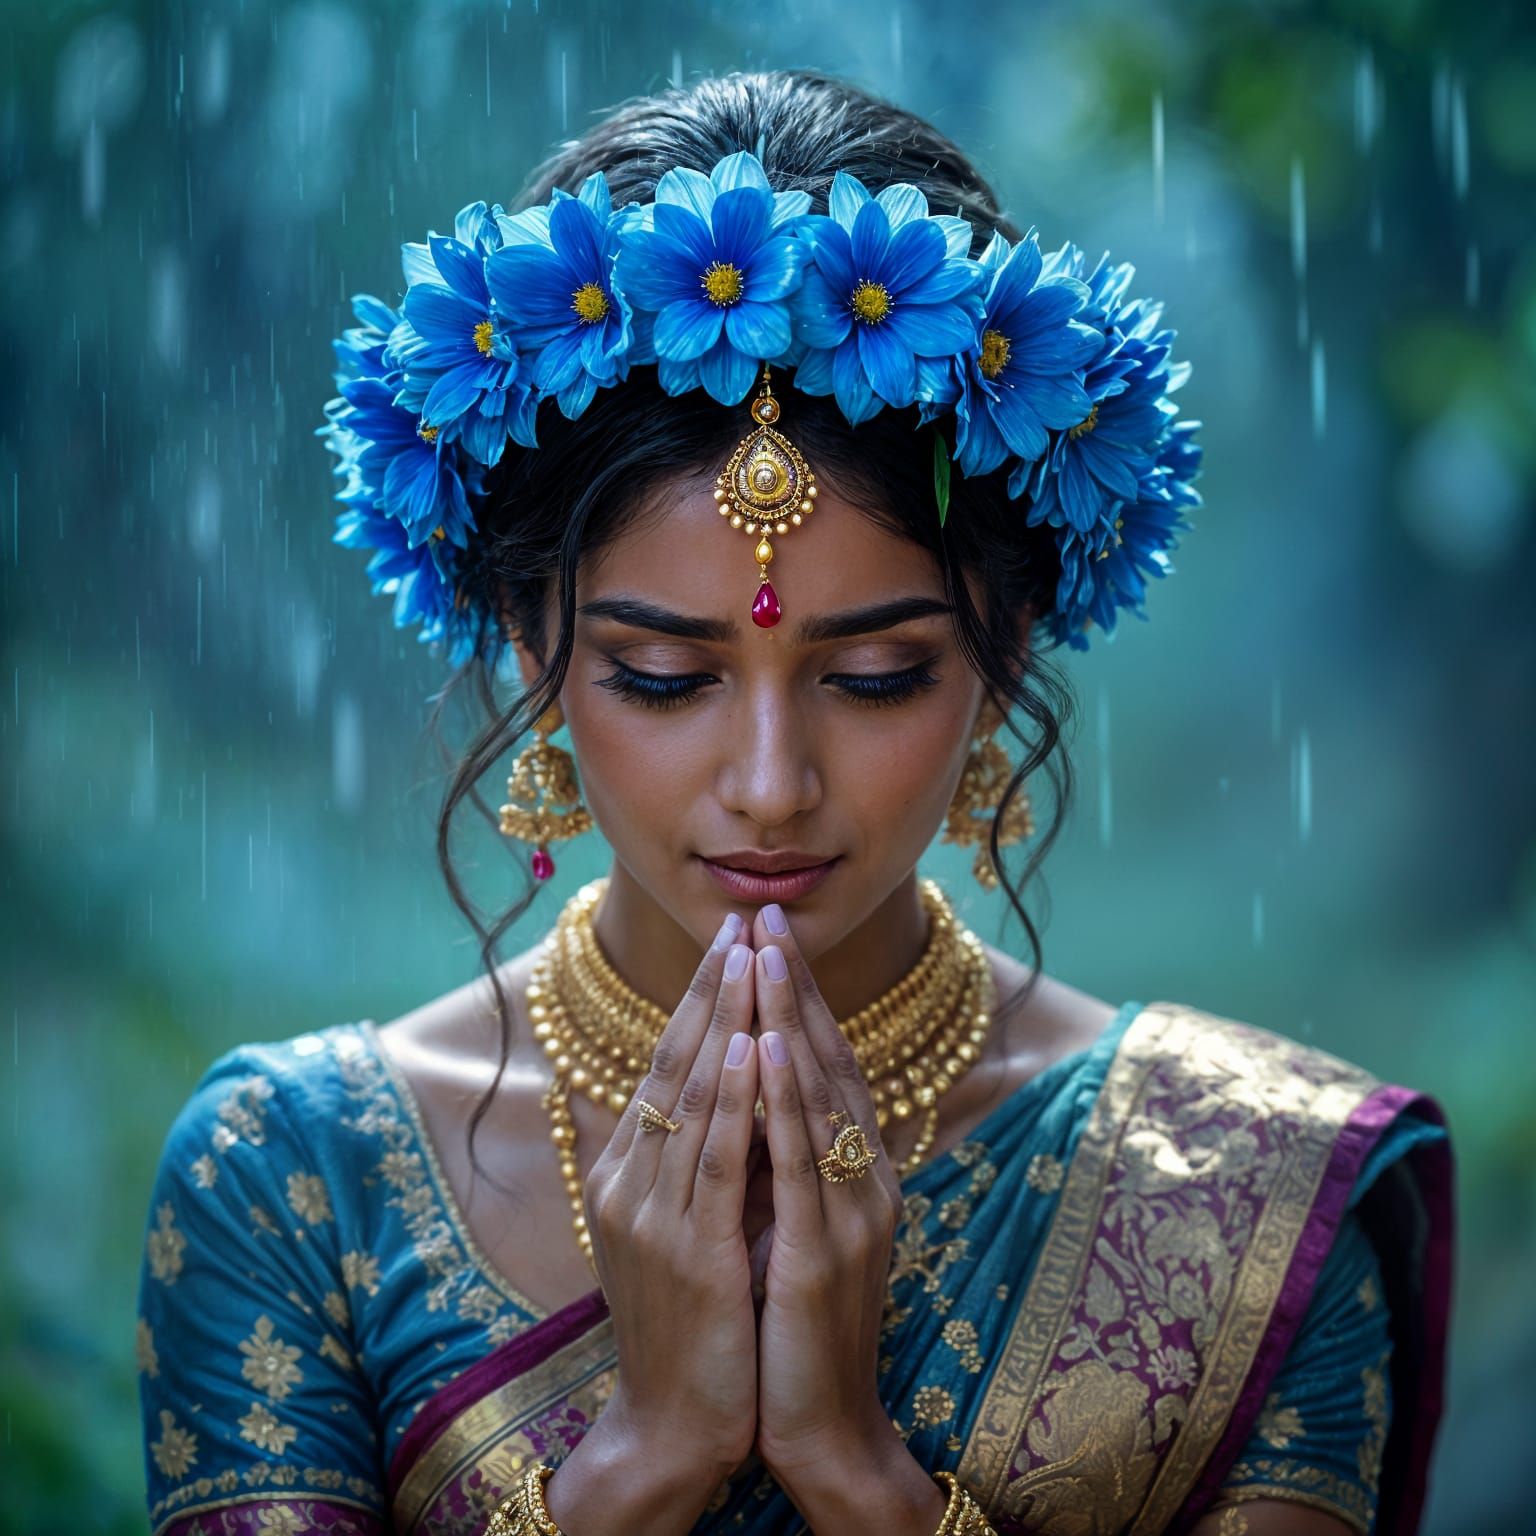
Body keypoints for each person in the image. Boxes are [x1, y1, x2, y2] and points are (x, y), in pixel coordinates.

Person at [135, 69, 1452, 1536]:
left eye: (877, 676)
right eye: (660, 676)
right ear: (529, 643)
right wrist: (644, 1462)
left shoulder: (1244, 1207)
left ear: (1006, 658)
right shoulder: (293, 1183)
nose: (771, 787)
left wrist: (857, 1472)